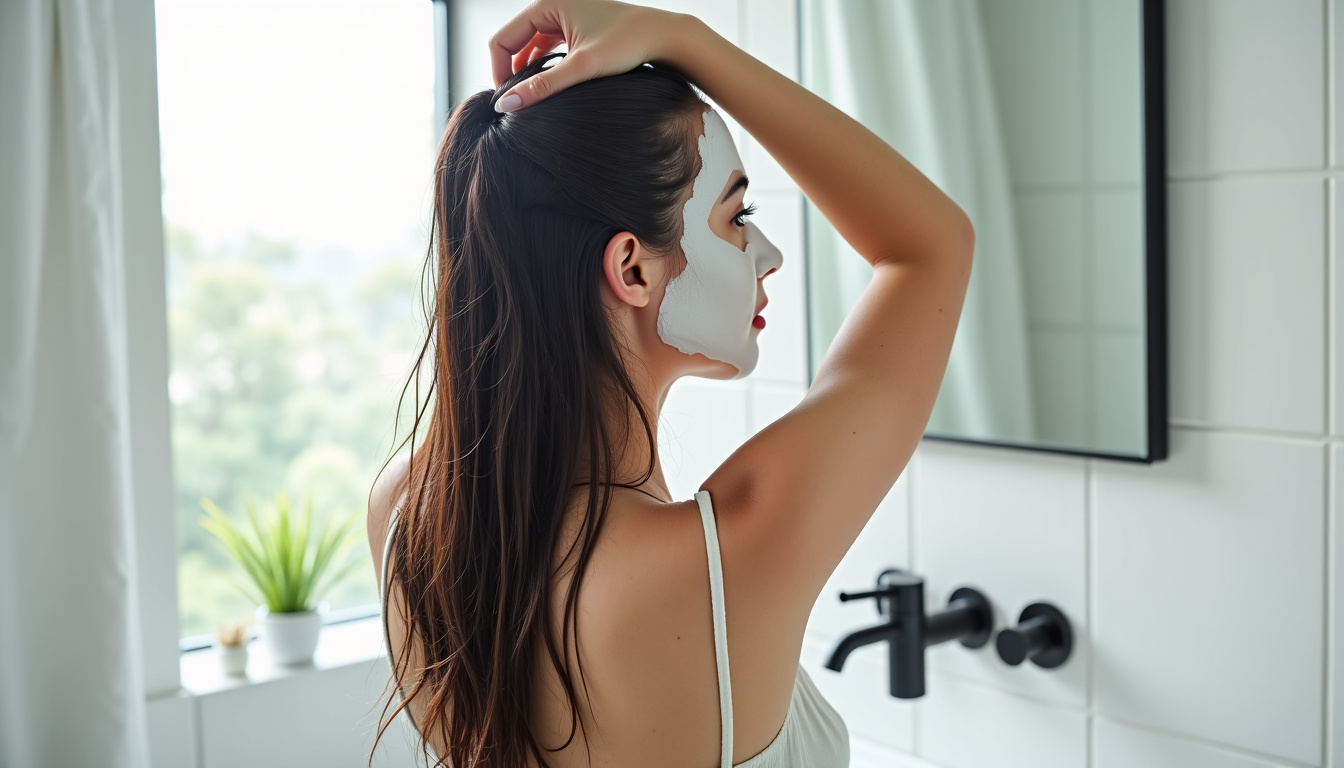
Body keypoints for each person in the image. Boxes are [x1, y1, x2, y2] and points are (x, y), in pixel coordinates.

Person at [366, 1, 973, 765]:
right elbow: (930, 246)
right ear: (632, 268)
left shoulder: (405, 513)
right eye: (736, 215)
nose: (769, 253)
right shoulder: (728, 558)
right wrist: (687, 40)